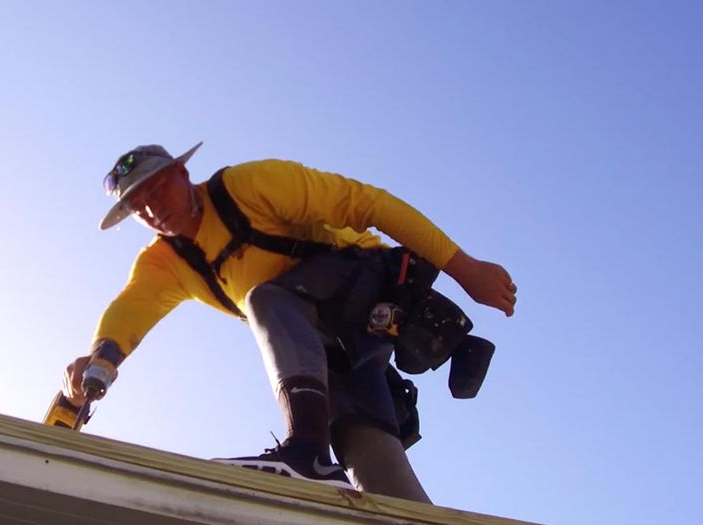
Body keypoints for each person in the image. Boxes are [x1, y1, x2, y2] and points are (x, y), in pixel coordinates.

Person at [62, 142, 516, 501]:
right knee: (367, 457)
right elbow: (131, 308)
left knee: (267, 300)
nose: (150, 208)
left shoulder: (249, 186)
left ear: (183, 174)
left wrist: (465, 269)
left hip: (366, 280)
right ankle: (352, 480)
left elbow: (369, 204)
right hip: (326, 341)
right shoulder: (165, 262)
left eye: (157, 189)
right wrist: (101, 358)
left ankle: (305, 452)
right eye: (137, 205)